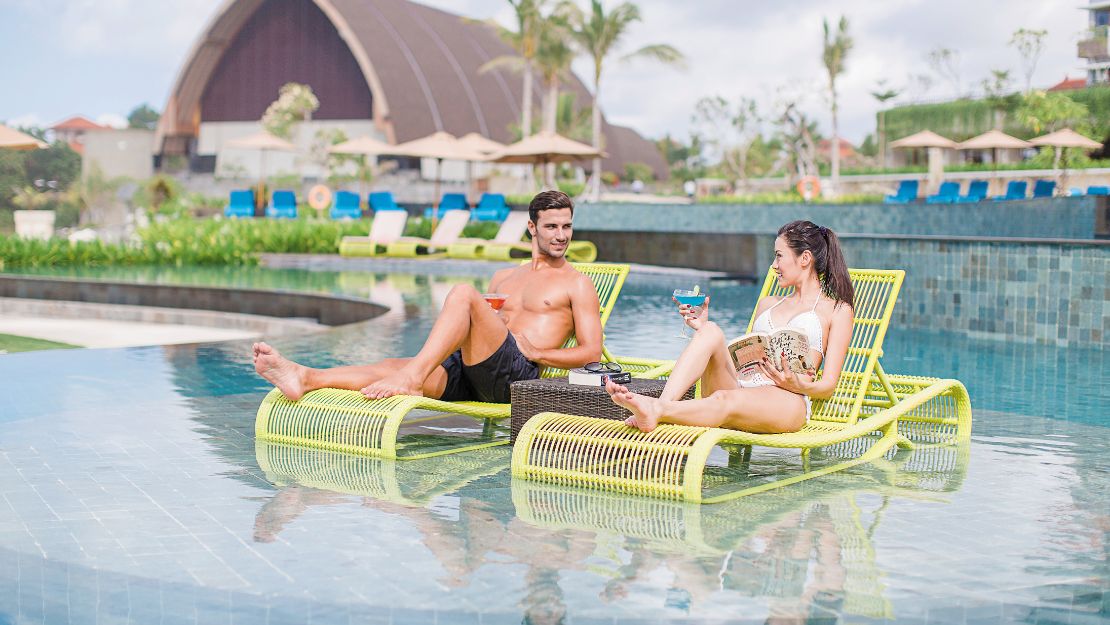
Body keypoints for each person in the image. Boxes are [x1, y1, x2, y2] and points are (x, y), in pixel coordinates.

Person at [253, 190, 603, 403]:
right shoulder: (505, 276)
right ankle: (306, 376)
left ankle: (413, 377)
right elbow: (490, 330)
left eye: (567, 226)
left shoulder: (577, 283)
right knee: (392, 366)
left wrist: (538, 352)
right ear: (532, 227)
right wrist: (487, 325)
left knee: (464, 294)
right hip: (475, 370)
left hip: (516, 377)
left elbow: (591, 351)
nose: (561, 235)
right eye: (552, 226)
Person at [605, 220, 855, 434]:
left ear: (805, 258)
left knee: (725, 399)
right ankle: (660, 405)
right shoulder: (768, 303)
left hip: (787, 399)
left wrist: (797, 384)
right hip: (744, 386)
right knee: (710, 330)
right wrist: (700, 326)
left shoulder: (837, 310)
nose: (773, 265)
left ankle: (655, 409)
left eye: (779, 255)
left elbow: (828, 386)